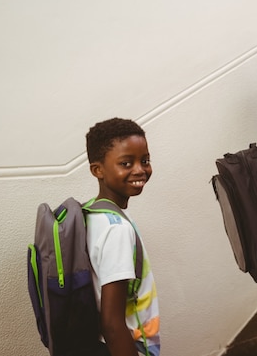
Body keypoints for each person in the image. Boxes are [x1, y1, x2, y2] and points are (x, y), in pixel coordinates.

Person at [85, 118, 161, 356]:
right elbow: (112, 322)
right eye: (126, 163)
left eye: (145, 160)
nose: (140, 169)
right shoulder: (116, 228)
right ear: (98, 170)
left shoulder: (91, 212)